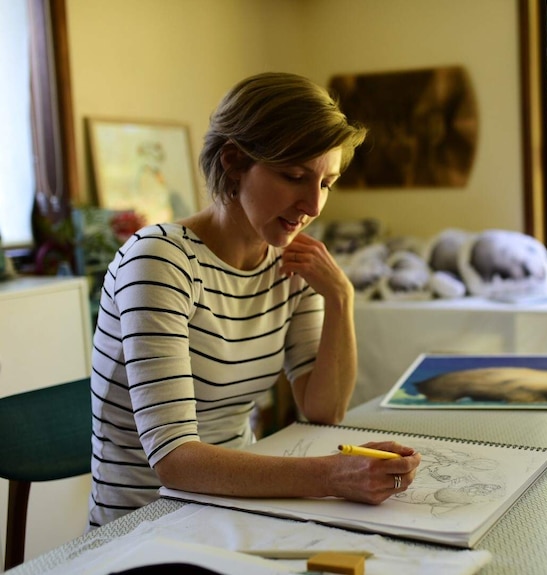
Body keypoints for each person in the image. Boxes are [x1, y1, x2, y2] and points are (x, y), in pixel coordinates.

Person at [88, 72, 422, 529]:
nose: (313, 205)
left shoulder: (293, 263)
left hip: (237, 510)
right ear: (233, 162)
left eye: (326, 182)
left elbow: (324, 409)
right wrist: (331, 475)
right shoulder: (159, 261)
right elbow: (175, 460)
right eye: (294, 177)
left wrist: (341, 298)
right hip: (143, 525)